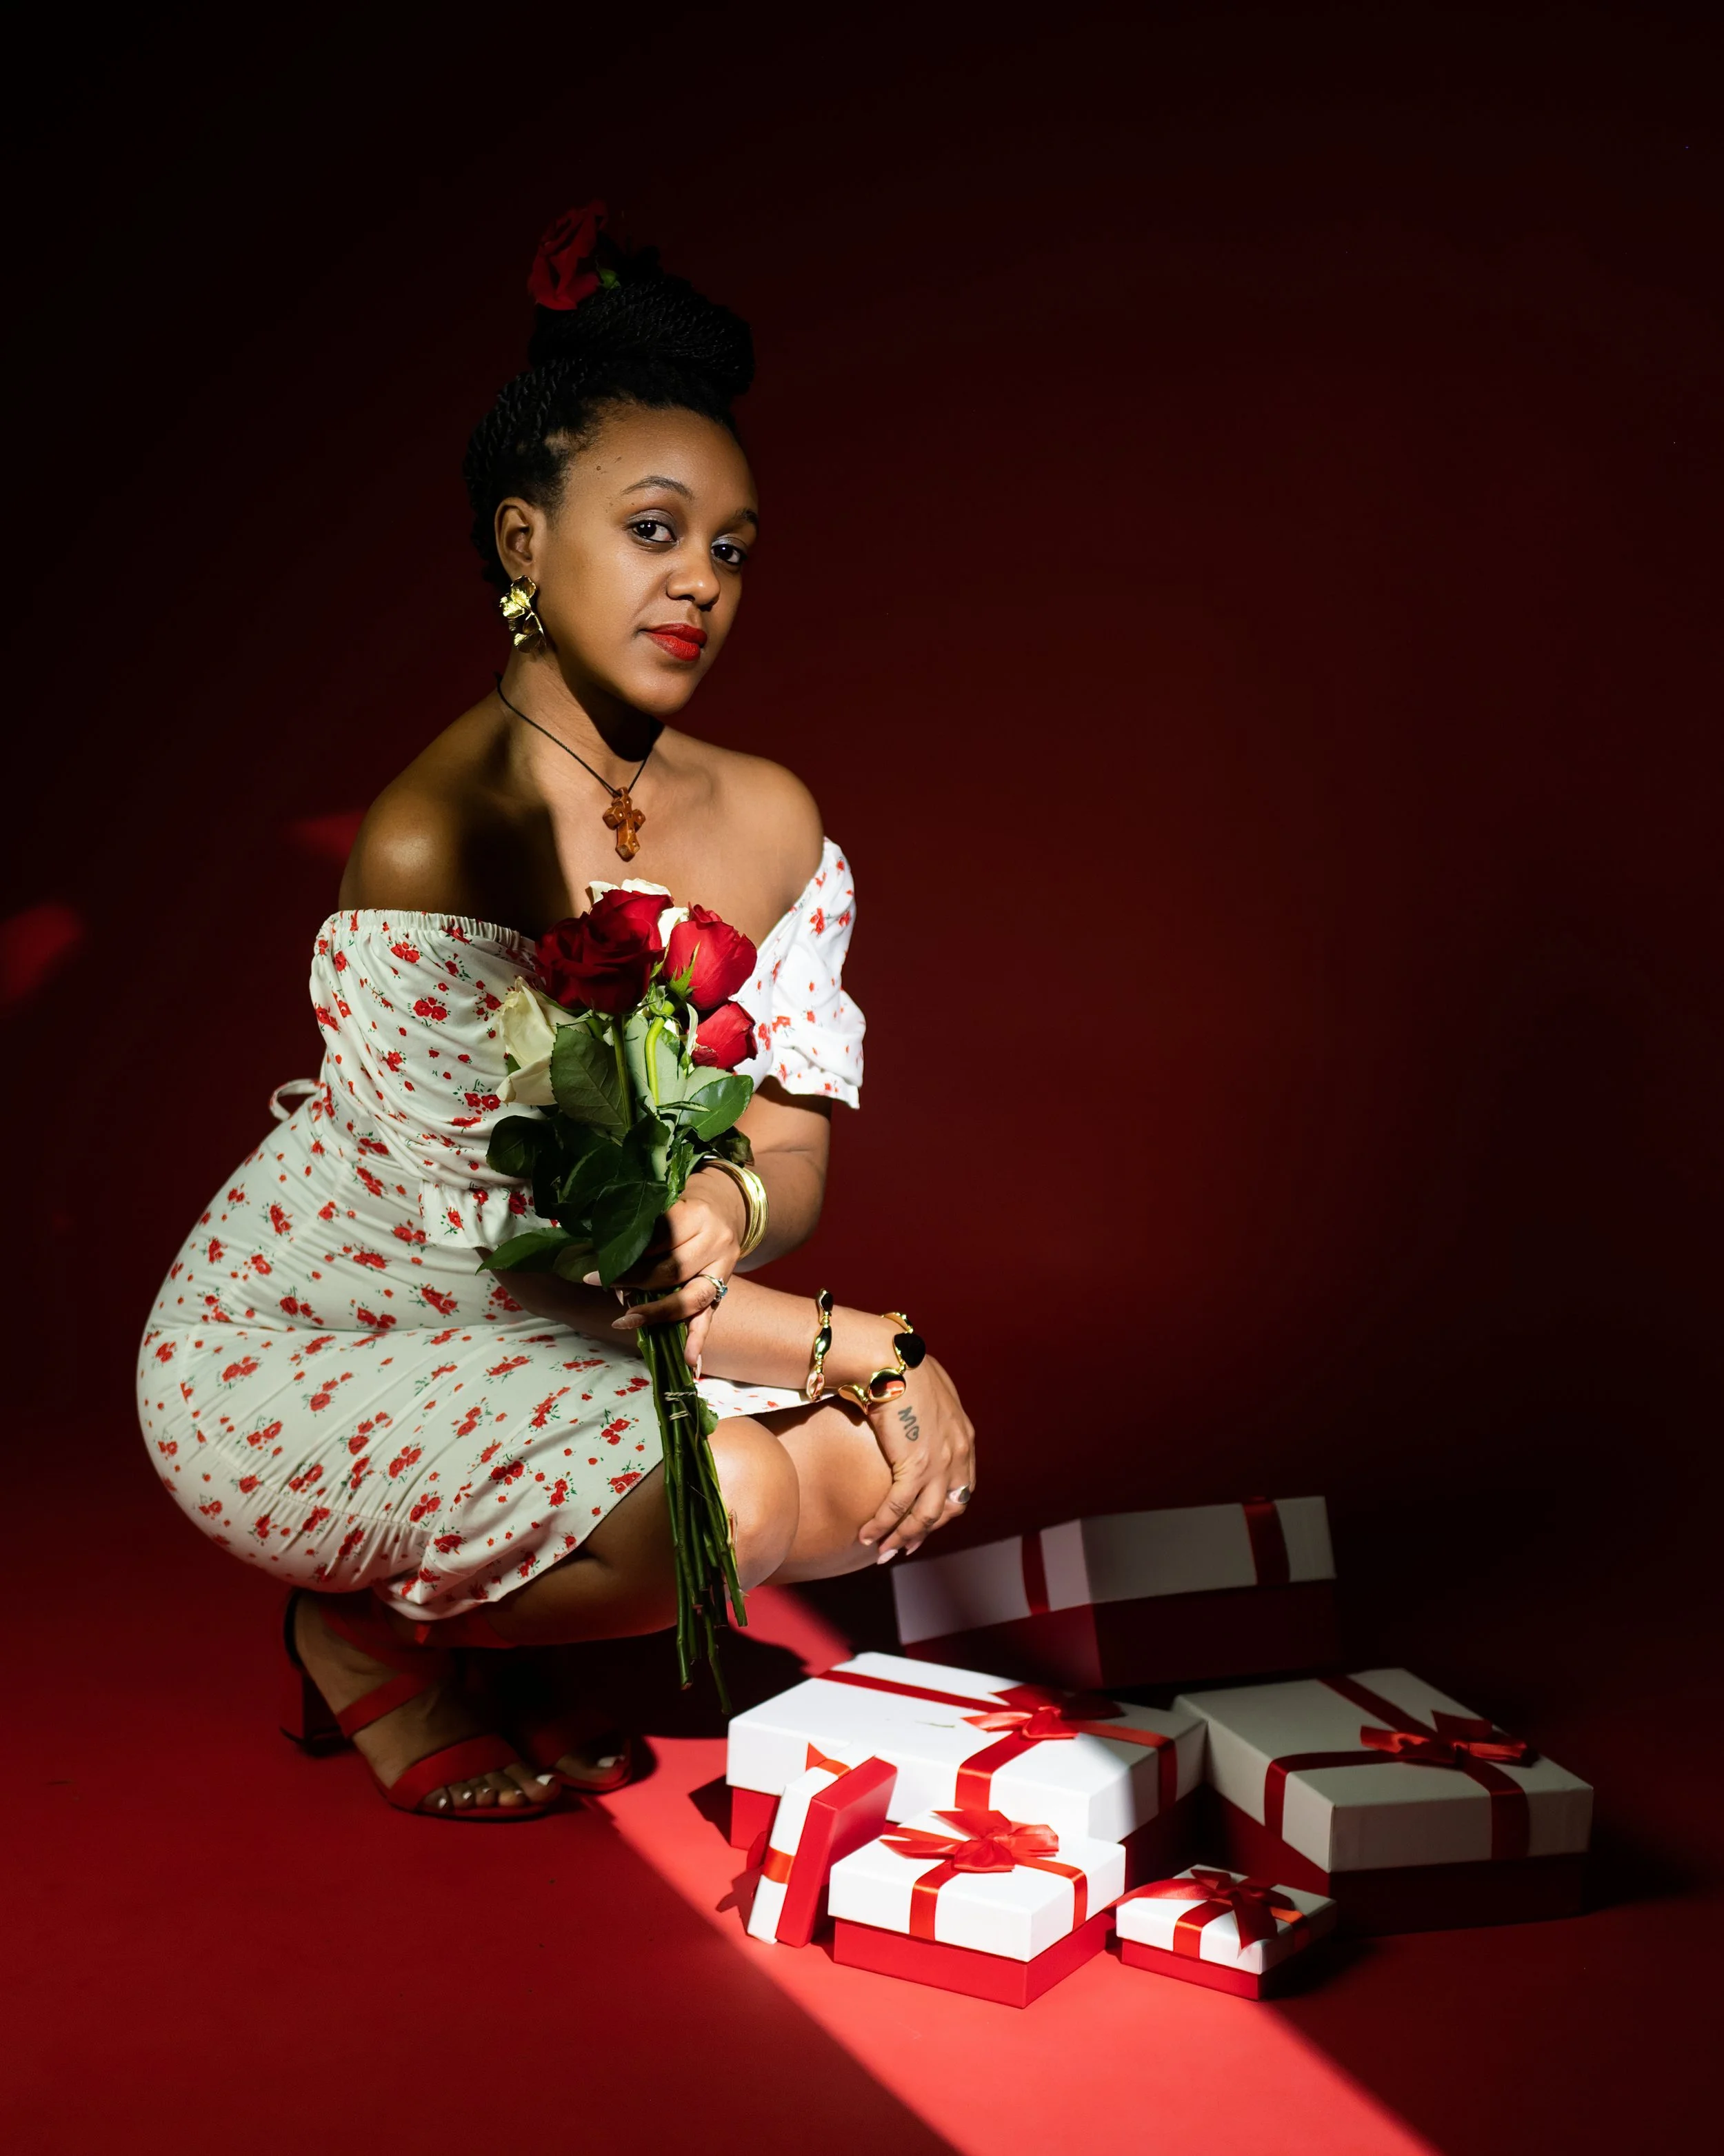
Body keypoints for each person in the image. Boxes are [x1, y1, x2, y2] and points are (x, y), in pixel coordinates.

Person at [136, 203, 976, 1820]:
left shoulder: (776, 820)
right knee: (736, 1487)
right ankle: (369, 1635)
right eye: (653, 530)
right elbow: (525, 1248)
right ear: (524, 545)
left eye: (730, 548)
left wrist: (733, 1191)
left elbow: (791, 1148)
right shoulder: (441, 831)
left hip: (568, 1325)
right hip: (326, 1336)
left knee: (871, 1475)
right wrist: (865, 1340)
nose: (700, 586)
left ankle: (530, 1615)